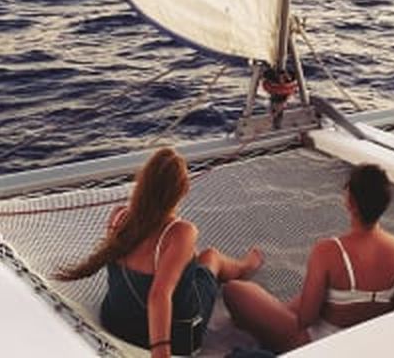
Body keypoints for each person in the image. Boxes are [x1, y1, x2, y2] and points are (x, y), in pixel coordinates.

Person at [57, 147, 262, 357]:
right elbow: (158, 295)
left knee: (192, 259)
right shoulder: (180, 232)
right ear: (182, 190)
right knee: (211, 257)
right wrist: (161, 352)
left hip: (115, 324)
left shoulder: (119, 217)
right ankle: (245, 267)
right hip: (176, 338)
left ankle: (228, 267)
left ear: (143, 183)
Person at [223, 163, 394, 353]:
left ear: (351, 203)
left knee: (236, 291)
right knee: (318, 295)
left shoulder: (329, 251)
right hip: (366, 342)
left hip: (319, 346)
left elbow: (306, 319)